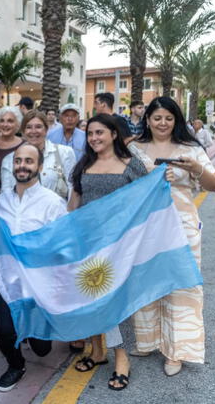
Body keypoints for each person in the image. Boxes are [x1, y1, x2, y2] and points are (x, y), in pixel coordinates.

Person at [128, 97, 215, 376]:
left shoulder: (191, 148)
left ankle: (176, 351)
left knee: (181, 286)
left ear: (176, 120)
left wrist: (196, 169)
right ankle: (148, 341)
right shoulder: (133, 147)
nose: (163, 123)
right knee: (146, 282)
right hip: (145, 227)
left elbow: (214, 185)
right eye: (157, 118)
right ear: (148, 120)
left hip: (182, 226)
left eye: (169, 118)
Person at [68, 113, 150, 391]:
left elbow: (145, 201)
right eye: (90, 133)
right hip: (88, 244)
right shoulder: (83, 166)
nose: (93, 138)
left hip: (121, 248)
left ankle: (122, 360)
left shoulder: (131, 165)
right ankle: (97, 351)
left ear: (114, 134)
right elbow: (74, 205)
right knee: (90, 298)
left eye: (99, 132)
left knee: (118, 305)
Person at [0, 144, 64, 392]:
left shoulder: (53, 203)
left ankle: (34, 332)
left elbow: (61, 247)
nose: (22, 166)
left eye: (28, 161)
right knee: (4, 331)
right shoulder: (3, 200)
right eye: (18, 161)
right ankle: (15, 365)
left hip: (39, 284)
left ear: (39, 167)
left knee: (42, 348)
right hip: (9, 281)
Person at [0, 110, 75, 201]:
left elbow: (73, 187)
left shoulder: (64, 153)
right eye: (29, 127)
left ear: (46, 130)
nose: (33, 131)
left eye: (38, 127)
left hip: (57, 213)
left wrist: (69, 213)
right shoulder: (9, 160)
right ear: (23, 131)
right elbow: (6, 194)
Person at [0, 107, 24, 204]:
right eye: (2, 121)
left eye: (10, 121)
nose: (5, 124)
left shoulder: (24, 145)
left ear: (18, 124)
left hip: (17, 199)